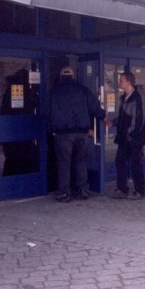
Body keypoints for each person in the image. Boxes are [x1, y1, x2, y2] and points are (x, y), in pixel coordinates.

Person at [48, 66, 105, 203]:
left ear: (61, 77)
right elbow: (95, 107)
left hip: (63, 134)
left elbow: (46, 112)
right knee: (81, 162)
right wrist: (102, 115)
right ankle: (83, 190)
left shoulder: (54, 92)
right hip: (82, 133)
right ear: (73, 76)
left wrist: (50, 129)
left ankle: (64, 193)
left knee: (64, 164)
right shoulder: (83, 90)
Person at [108, 72, 145, 200]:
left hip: (134, 138)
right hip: (124, 138)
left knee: (136, 164)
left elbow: (138, 120)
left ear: (128, 82)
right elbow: (123, 117)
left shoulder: (137, 98)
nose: (119, 83)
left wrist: (130, 134)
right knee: (120, 161)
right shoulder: (123, 97)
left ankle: (140, 191)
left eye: (121, 80)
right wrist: (112, 123)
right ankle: (122, 189)